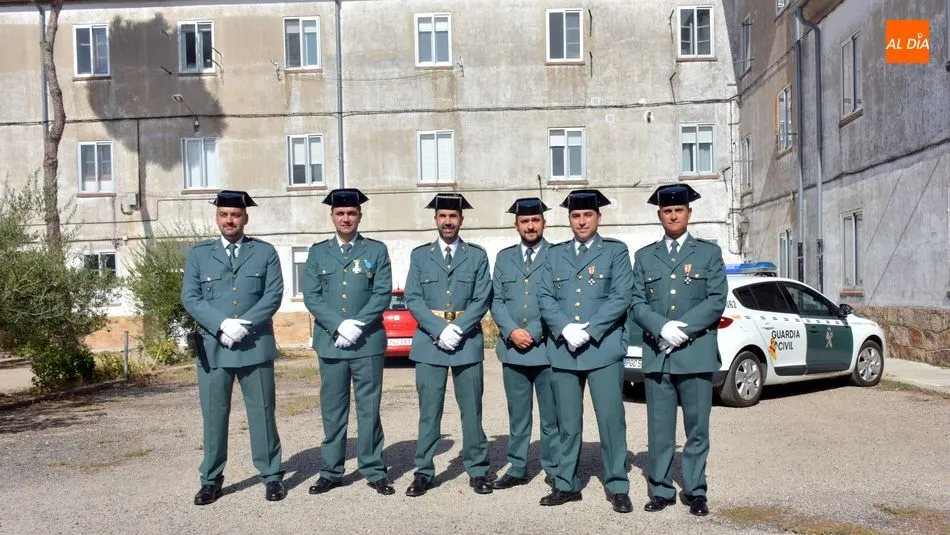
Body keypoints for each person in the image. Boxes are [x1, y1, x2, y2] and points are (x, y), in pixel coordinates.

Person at [180, 190, 286, 505]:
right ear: (217, 218)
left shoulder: (264, 252)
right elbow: (191, 297)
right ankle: (211, 480)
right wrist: (223, 324)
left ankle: (271, 476)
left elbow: (273, 295)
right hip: (214, 347)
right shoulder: (199, 254)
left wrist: (244, 325)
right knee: (214, 416)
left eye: (236, 215)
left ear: (245, 218)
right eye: (224, 214)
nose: (230, 220)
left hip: (255, 345)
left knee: (263, 414)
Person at [629, 184, 727, 517]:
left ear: (689, 213)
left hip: (695, 353)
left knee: (697, 427)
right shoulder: (644, 256)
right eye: (667, 211)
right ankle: (661, 489)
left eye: (679, 210)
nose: (673, 215)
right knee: (660, 429)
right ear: (660, 216)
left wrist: (680, 330)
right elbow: (636, 302)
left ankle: (695, 489)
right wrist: (660, 327)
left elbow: (716, 301)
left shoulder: (708, 254)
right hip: (658, 355)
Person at [536, 189, 634, 514]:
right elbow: (544, 296)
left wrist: (589, 331)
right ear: (569, 219)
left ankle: (618, 484)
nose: (581, 221)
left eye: (587, 215)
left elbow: (621, 296)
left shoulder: (615, 253)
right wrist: (565, 328)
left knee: (610, 420)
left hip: (602, 349)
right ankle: (566, 483)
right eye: (576, 216)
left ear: (598, 218)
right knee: (567, 422)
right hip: (564, 349)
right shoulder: (554, 255)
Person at [302, 189, 395, 496]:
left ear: (360, 216)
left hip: (366, 341)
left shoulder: (376, 250)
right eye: (340, 213)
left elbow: (382, 293)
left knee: (369, 407)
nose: (346, 218)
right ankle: (331, 470)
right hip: (331, 342)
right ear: (332, 216)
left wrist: (357, 324)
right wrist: (338, 325)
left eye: (351, 213)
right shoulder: (318, 252)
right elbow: (312, 295)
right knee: (333, 408)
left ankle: (373, 468)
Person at [403, 193, 494, 497]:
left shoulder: (477, 255)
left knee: (472, 410)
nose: (448, 221)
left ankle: (478, 470)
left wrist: (459, 327)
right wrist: (440, 329)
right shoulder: (420, 256)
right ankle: (424, 471)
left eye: (453, 216)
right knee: (429, 412)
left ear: (461, 220)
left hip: (466, 340)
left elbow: (482, 297)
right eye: (442, 216)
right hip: (430, 341)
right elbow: (413, 298)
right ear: (435, 220)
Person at [489, 198, 559, 490]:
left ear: (544, 222)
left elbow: (559, 299)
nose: (530, 226)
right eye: (524, 221)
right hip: (513, 348)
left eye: (536, 220)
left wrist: (533, 331)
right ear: (516, 224)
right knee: (518, 414)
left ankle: (555, 468)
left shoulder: (558, 255)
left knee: (552, 416)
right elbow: (497, 299)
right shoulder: (505, 258)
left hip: (547, 350)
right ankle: (517, 467)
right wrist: (511, 331)